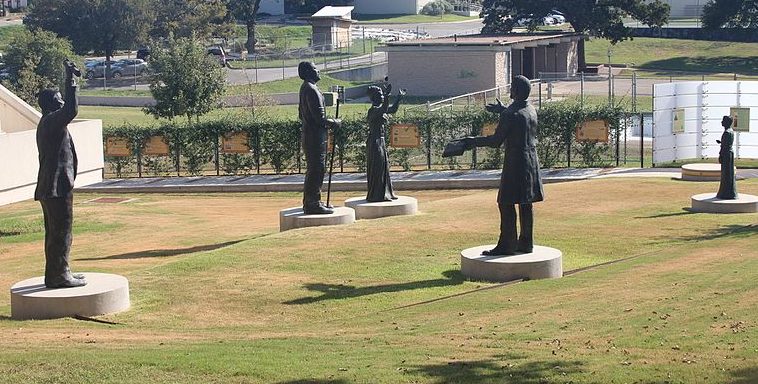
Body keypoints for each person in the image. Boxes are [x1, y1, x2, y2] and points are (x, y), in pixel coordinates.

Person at [463, 75, 544, 256]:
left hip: (515, 161)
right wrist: (503, 110)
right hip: (531, 161)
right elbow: (518, 116)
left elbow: (495, 141)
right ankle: (526, 242)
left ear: (515, 91)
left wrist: (472, 141)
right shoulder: (531, 109)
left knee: (505, 202)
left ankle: (507, 244)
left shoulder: (510, 114)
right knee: (526, 203)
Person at [35, 59, 86, 288]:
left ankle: (57, 272)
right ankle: (59, 275)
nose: (63, 101)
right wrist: (70, 79)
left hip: (52, 186)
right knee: (61, 231)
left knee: (56, 232)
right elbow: (71, 110)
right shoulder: (52, 122)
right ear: (51, 105)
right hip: (56, 187)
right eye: (59, 99)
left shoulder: (49, 123)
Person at [298, 61, 341, 214]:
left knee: (315, 169)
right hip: (315, 138)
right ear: (309, 72)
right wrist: (335, 122)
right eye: (316, 69)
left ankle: (313, 201)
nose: (318, 71)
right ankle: (313, 203)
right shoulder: (312, 90)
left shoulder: (305, 88)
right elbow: (319, 119)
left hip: (311, 136)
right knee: (317, 170)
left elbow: (301, 115)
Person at [365, 84, 406, 202]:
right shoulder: (373, 110)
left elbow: (392, 109)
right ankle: (376, 195)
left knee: (384, 167)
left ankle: (386, 193)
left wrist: (398, 97)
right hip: (375, 142)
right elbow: (384, 108)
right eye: (380, 94)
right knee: (377, 168)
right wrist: (388, 96)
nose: (382, 96)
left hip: (380, 141)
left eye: (383, 94)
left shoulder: (379, 108)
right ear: (373, 97)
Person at [716, 115, 737, 200]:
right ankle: (729, 192)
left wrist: (720, 155)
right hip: (729, 154)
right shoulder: (731, 131)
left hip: (726, 154)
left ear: (727, 122)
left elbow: (724, 147)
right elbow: (727, 143)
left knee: (726, 174)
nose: (721, 122)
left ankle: (726, 193)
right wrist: (722, 142)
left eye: (723, 121)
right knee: (729, 174)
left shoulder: (727, 132)